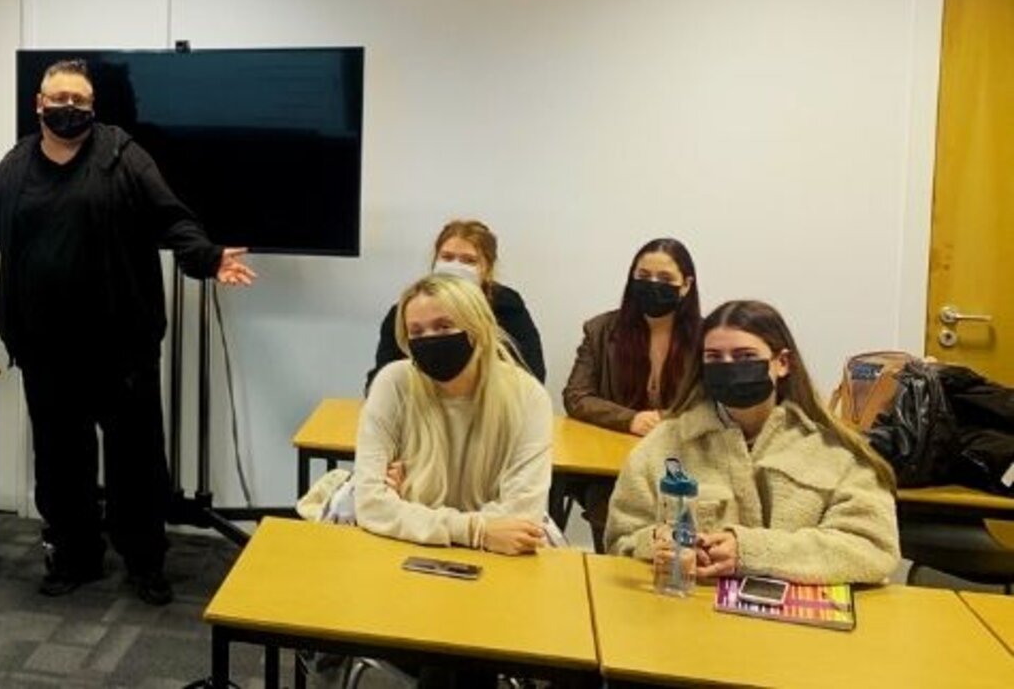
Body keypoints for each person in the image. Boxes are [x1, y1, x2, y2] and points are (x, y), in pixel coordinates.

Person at [0, 59, 255, 606]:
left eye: (80, 100)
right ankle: (76, 556)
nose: (70, 108)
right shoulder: (15, 168)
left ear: (92, 107)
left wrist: (208, 259)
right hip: (47, 347)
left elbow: (173, 220)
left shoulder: (123, 156)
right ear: (39, 105)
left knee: (136, 463)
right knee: (60, 461)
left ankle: (144, 562)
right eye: (59, 98)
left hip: (123, 347)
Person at [604, 300, 901, 584]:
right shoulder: (666, 445)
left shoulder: (836, 453)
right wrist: (656, 544)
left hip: (798, 628)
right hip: (691, 614)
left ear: (782, 363)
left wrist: (750, 551)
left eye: (745, 357)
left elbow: (872, 548)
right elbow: (622, 537)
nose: (729, 366)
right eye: (714, 358)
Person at [354, 274, 554, 554]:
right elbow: (370, 504)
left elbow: (522, 516)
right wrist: (477, 531)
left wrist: (407, 508)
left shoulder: (528, 396)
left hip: (484, 554)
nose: (429, 340)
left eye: (444, 326)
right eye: (417, 332)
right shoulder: (393, 382)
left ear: (478, 328)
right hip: (413, 547)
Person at [369, 219, 544, 388]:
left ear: (487, 269)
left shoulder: (507, 307)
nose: (455, 266)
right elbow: (378, 382)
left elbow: (532, 377)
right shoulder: (409, 310)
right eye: (447, 257)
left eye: (469, 260)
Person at [564, 238, 702, 436]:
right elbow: (576, 397)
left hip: (680, 449)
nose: (653, 285)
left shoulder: (707, 338)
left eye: (665, 279)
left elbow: (714, 407)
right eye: (644, 276)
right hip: (613, 444)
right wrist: (629, 419)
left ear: (686, 285)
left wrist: (665, 420)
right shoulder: (599, 330)